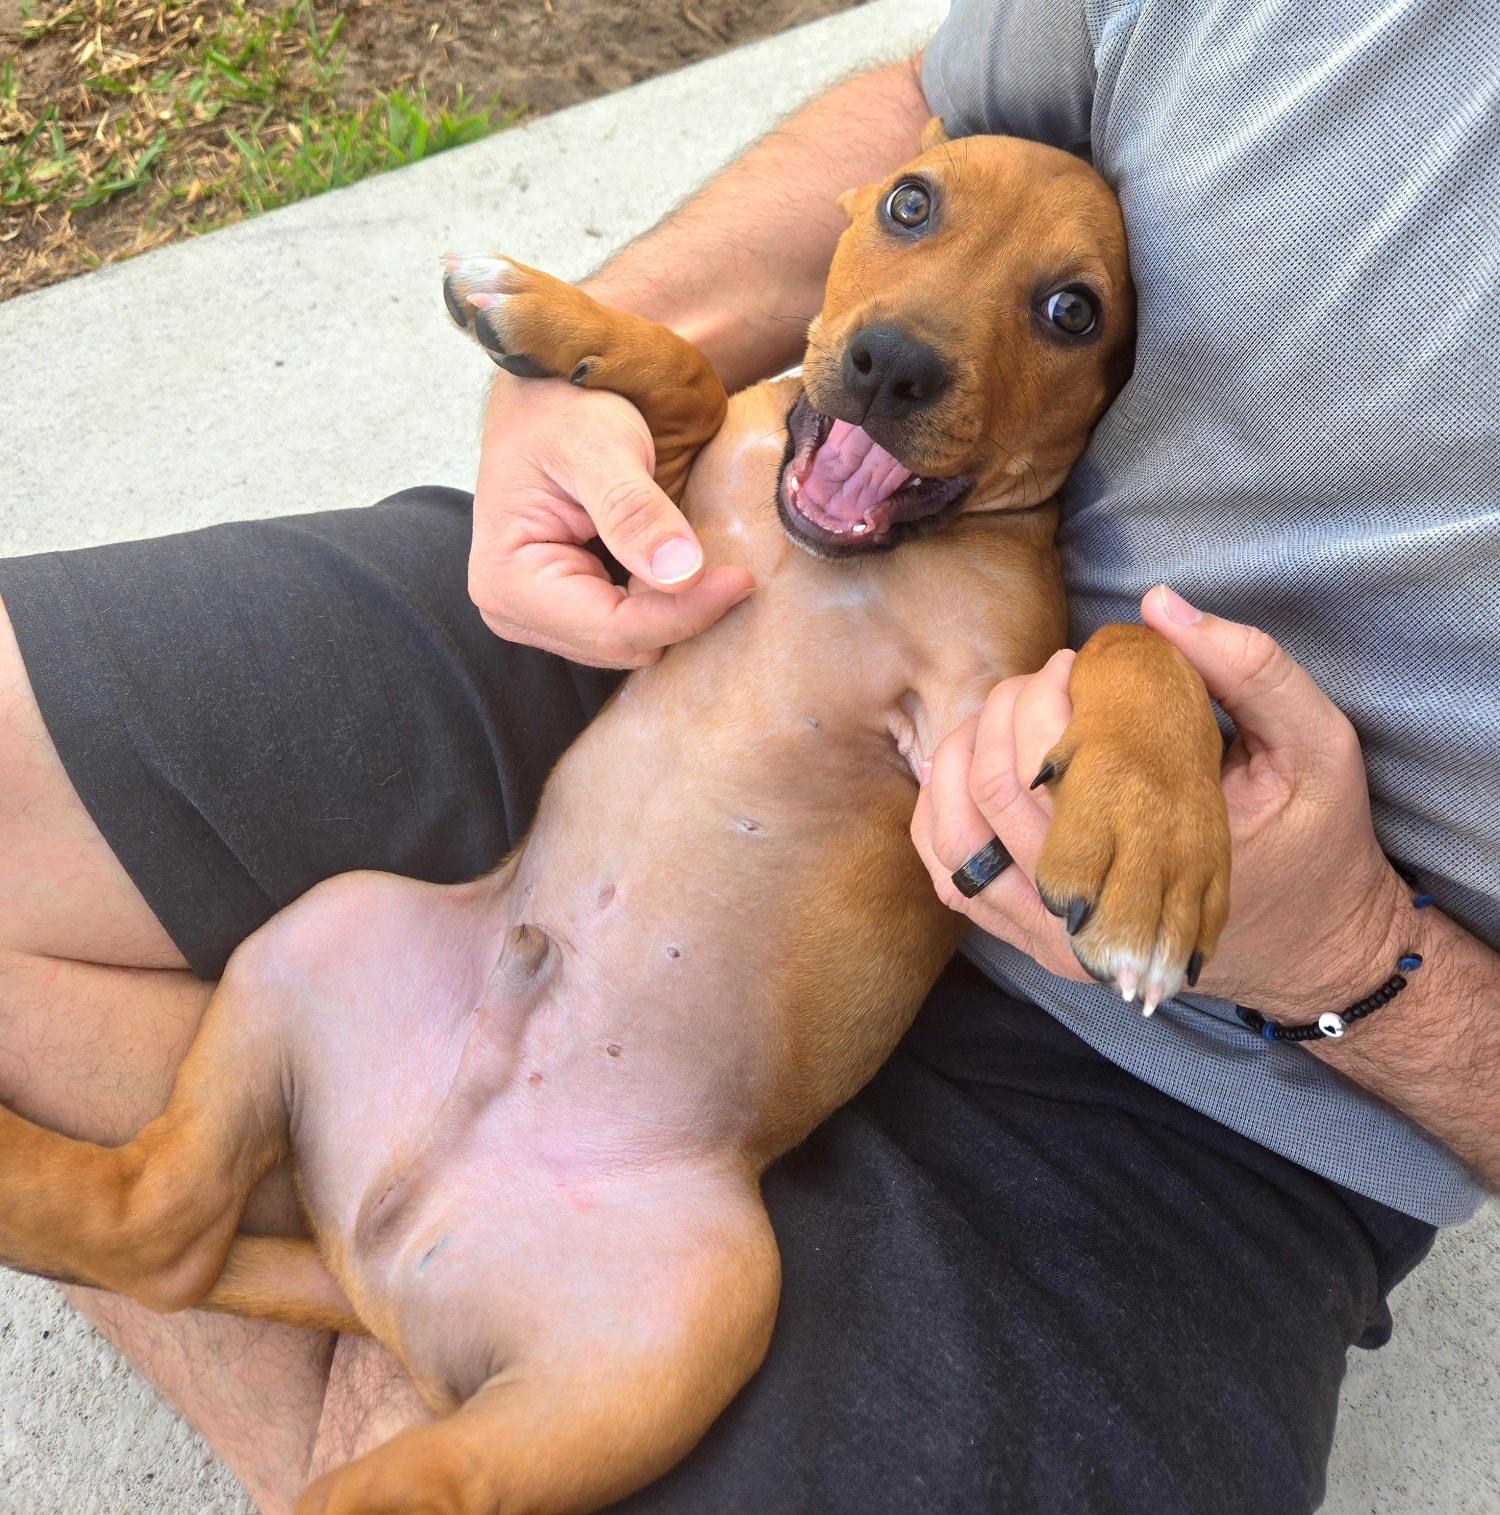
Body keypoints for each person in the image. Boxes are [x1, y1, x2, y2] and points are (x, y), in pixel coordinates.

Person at [1, 0, 1495, 1509]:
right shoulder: (781, 426)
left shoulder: (996, 612)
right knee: (332, 942)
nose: (918, 338)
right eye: (909, 218)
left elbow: (1021, 739)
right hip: (505, 896)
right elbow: (926, 116)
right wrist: (610, 356)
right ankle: (170, 1211)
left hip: (1178, 1108)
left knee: (692, 1308)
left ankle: (397, 1404)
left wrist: (1351, 949)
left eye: (1065, 319)